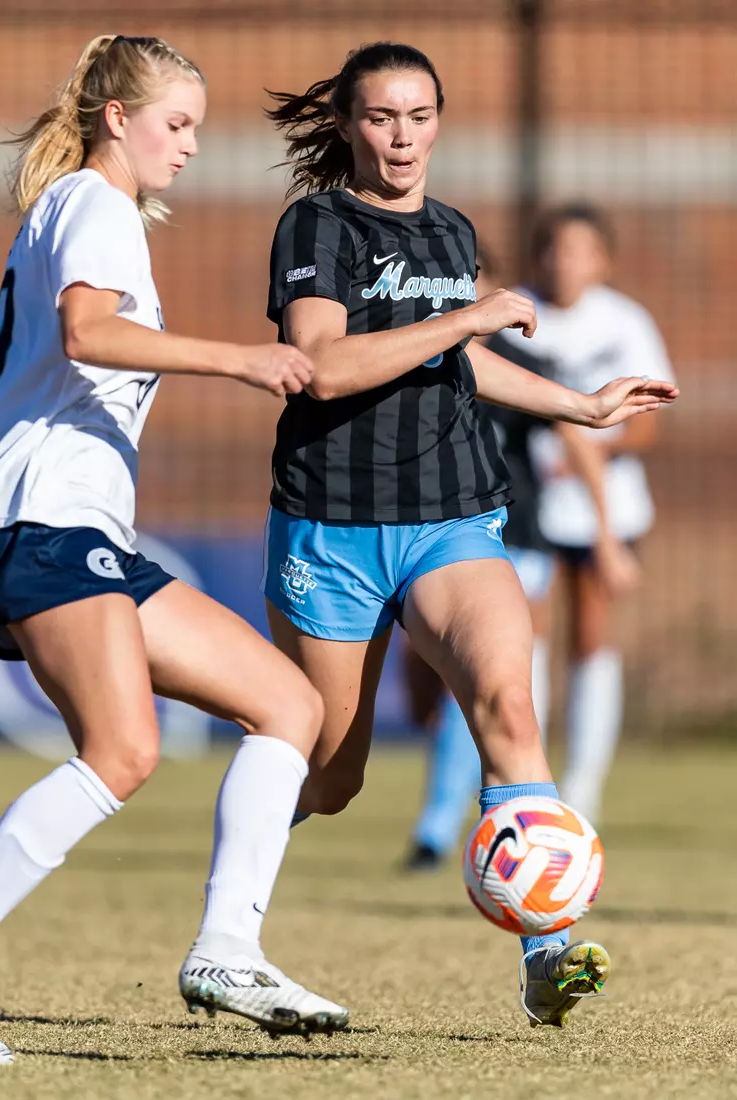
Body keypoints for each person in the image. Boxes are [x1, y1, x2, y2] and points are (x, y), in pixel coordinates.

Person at [0, 34, 348, 1066]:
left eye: (196, 129)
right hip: (45, 526)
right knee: (125, 748)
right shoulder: (94, 206)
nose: (190, 147)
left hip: (67, 523)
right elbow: (88, 335)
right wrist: (236, 357)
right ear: (117, 118)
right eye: (176, 125)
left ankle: (228, 947)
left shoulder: (67, 214)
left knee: (288, 704)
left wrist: (28, 459)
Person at [262, 41, 677, 1027]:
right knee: (332, 769)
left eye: (418, 115)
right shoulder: (314, 225)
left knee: (506, 704)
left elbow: (465, 364)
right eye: (380, 117)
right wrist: (465, 321)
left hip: (453, 516)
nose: (401, 136)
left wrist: (579, 406)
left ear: (438, 121)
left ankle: (548, 948)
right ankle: (232, 903)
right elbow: (320, 365)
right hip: (334, 523)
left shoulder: (451, 232)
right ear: (345, 125)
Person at [404, 247, 639, 870]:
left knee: (489, 682)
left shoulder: (520, 361)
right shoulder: (405, 348)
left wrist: (607, 534)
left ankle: (459, 830)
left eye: (469, 280)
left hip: (514, 539)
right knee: (429, 690)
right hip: (423, 537)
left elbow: (575, 435)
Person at [514, 204, 675, 825]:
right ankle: (530, 775)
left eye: (581, 250)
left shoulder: (625, 322)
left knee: (590, 635)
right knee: (523, 636)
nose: (565, 262)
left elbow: (648, 425)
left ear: (603, 261)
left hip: (604, 512)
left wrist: (586, 449)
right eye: (554, 249)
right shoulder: (516, 315)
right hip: (524, 507)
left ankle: (582, 788)